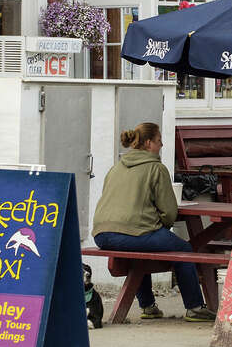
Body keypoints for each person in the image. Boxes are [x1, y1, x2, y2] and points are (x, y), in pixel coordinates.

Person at [91, 122, 217, 322]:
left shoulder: (116, 167)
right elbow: (169, 211)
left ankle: (148, 306)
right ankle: (194, 307)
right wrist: (162, 227)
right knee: (184, 249)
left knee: (139, 246)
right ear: (149, 143)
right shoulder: (156, 168)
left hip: (101, 234)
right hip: (133, 232)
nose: (162, 145)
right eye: (159, 141)